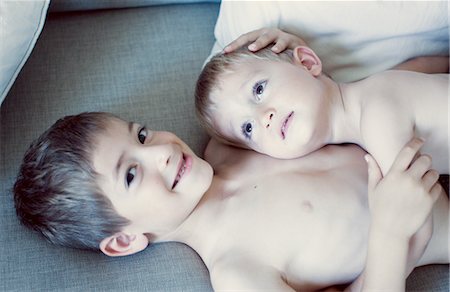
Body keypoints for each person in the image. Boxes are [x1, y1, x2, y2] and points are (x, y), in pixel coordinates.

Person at [14, 112, 448, 291]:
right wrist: (391, 234)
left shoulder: (227, 142)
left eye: (141, 134)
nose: (160, 150)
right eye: (131, 174)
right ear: (125, 240)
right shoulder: (238, 271)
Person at [195, 28, 449, 177]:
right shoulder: (373, 94)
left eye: (259, 89)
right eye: (247, 128)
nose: (264, 117)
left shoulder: (376, 117)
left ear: (307, 63)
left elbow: (413, 203)